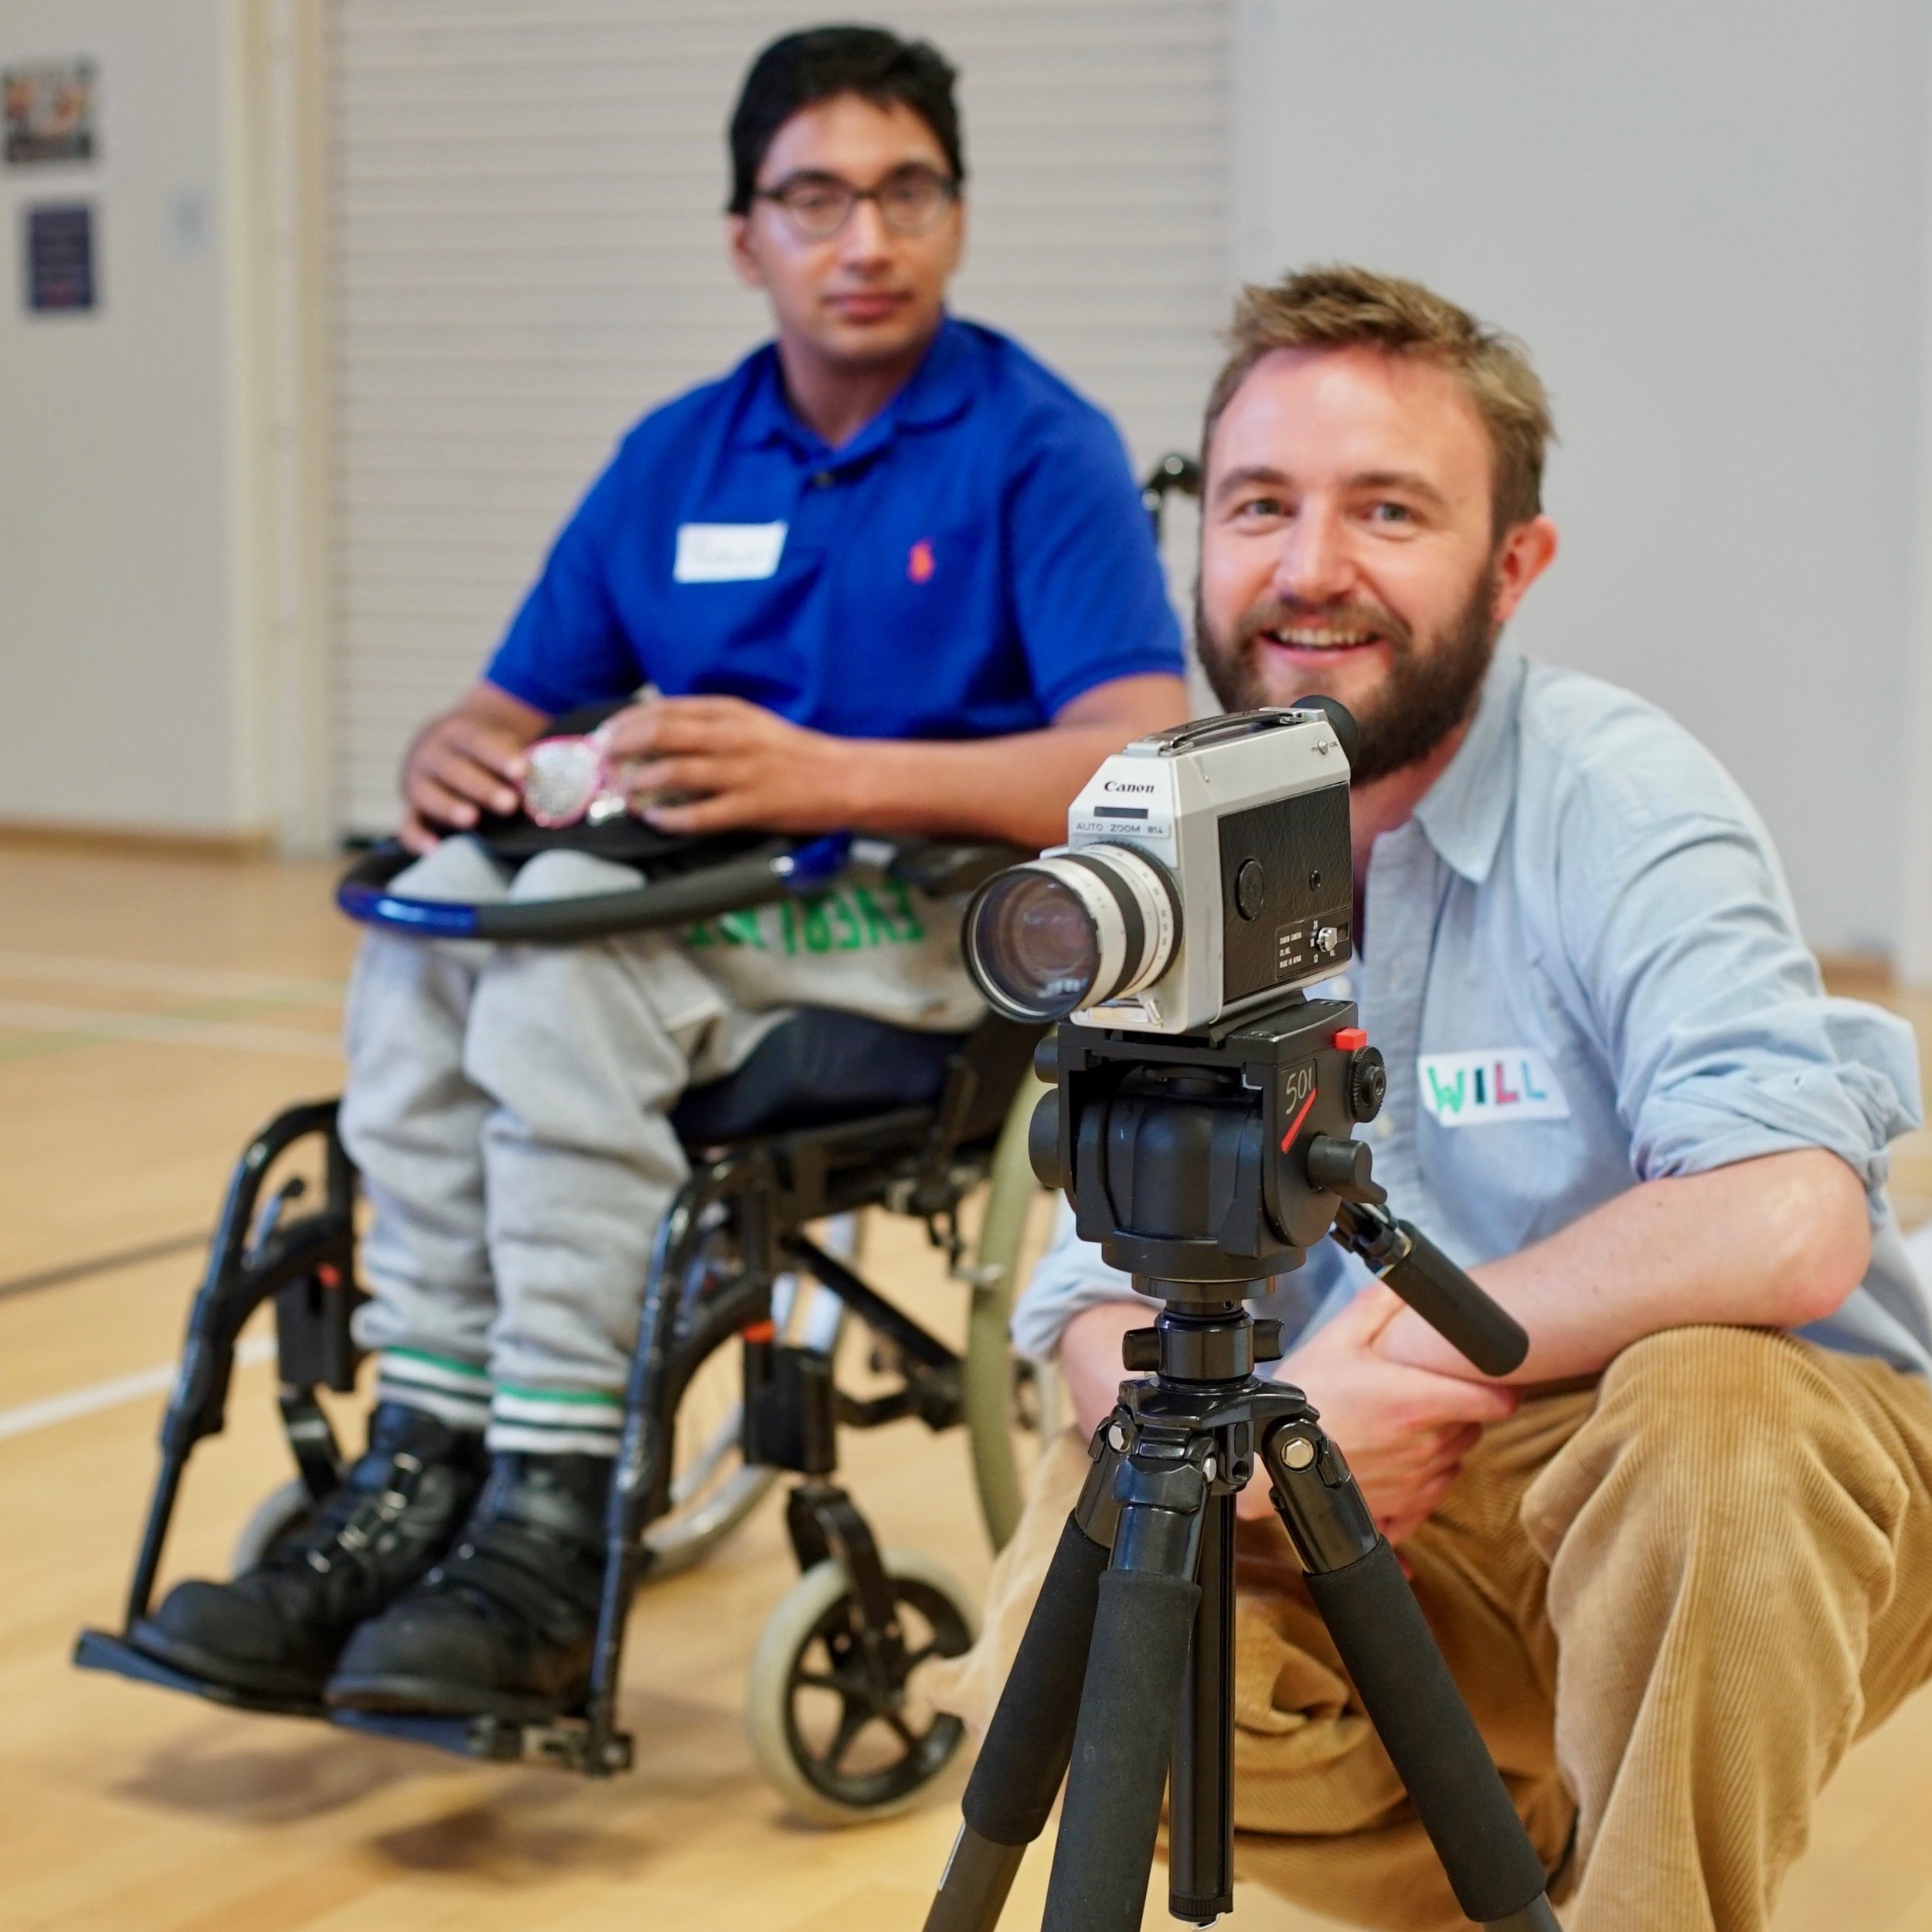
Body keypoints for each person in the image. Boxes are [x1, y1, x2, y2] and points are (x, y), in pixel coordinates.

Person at [131, 26, 1185, 1723]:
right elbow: (502, 693)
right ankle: (427, 1458)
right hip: (696, 909)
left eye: (905, 193)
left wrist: (833, 771)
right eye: (815, 199)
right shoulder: (674, 456)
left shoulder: (1031, 447)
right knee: (436, 928)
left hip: (914, 925)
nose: (864, 239)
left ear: (957, 218)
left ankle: (547, 1519)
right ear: (744, 235)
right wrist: (447, 753)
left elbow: (1131, 758)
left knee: (548, 945)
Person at [959, 265, 1932, 1932]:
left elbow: (1789, 1218)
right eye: (1258, 503)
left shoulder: (1616, 793)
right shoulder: (1171, 828)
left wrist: (1373, 1360)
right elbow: (1071, 1309)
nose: (1307, 568)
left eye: (1386, 508)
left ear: (1512, 560)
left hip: (1710, 1485)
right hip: (1372, 1491)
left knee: (1711, 1416)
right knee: (1071, 1586)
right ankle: (1514, 1867)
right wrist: (1259, 1440)